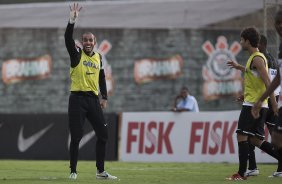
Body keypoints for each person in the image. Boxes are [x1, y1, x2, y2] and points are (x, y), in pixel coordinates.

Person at [64, 3, 117, 180]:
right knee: (77, 137)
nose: (88, 42)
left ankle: (100, 171)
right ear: (82, 42)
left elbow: (101, 77)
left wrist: (104, 96)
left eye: (90, 40)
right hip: (77, 100)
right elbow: (67, 38)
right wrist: (72, 20)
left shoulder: (98, 57)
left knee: (103, 135)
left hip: (93, 100)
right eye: (85, 40)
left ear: (95, 43)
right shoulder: (76, 54)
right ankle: (73, 171)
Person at [226, 27, 280, 180]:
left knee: (241, 136)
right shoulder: (255, 58)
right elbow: (254, 76)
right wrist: (239, 68)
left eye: (242, 40)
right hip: (255, 104)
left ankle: (241, 173)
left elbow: (268, 81)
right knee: (256, 140)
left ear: (248, 41)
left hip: (253, 106)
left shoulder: (257, 58)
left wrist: (274, 103)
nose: (240, 42)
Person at [245, 34, 282, 177]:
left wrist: (265, 100)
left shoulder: (260, 58)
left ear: (260, 44)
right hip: (274, 99)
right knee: (275, 137)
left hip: (267, 101)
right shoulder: (272, 58)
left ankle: (253, 167)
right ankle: (279, 169)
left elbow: (265, 81)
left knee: (249, 134)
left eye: (256, 43)